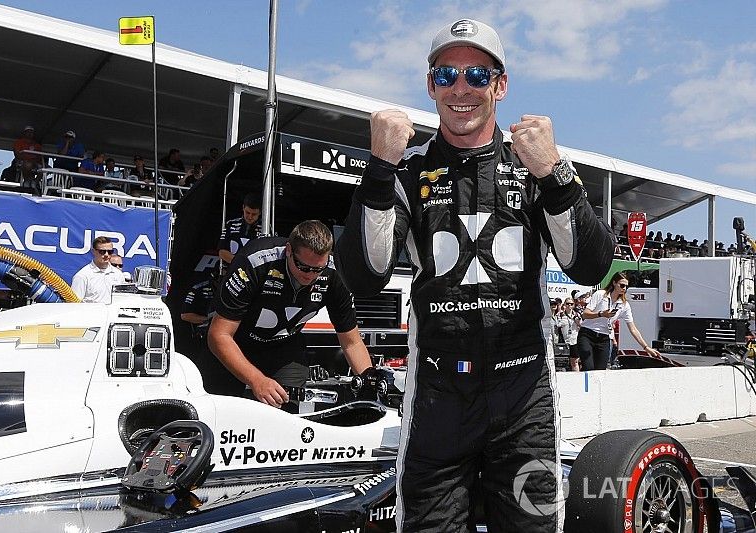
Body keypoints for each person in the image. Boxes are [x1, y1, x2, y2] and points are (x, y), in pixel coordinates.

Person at [333, 18, 614, 533]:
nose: (461, 89)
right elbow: (364, 275)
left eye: (477, 76)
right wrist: (377, 168)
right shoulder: (404, 169)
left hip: (524, 394)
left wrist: (553, 173)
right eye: (447, 75)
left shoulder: (536, 166)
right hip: (439, 396)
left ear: (500, 86)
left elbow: (591, 266)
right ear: (430, 86)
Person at [207, 220, 373, 406]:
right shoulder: (256, 261)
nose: (310, 275)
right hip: (236, 341)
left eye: (318, 269)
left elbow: (352, 342)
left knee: (284, 409)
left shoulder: (335, 274)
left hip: (284, 347)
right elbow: (218, 335)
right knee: (224, 410)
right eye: (303, 267)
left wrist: (371, 383)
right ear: (288, 250)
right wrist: (256, 380)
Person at [577, 272, 660, 371]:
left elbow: (633, 329)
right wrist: (601, 314)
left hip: (604, 337)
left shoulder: (624, 305)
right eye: (622, 285)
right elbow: (585, 314)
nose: (624, 289)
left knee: (600, 371)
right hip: (587, 334)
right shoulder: (600, 294)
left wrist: (646, 347)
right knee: (589, 368)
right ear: (614, 283)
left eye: (626, 287)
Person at [71, 236, 126, 304]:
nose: (106, 255)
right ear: (93, 251)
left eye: (110, 252)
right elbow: (74, 304)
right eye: (102, 251)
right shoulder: (82, 276)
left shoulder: (118, 274)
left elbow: (123, 300)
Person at [217, 192, 262, 273]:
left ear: (260, 213)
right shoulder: (230, 224)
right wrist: (241, 265)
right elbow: (221, 252)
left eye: (254, 214)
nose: (250, 217)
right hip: (229, 271)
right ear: (243, 208)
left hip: (253, 276)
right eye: (247, 213)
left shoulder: (266, 230)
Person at [13, 125, 44, 191]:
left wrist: (34, 161)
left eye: (31, 132)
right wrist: (26, 159)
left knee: (42, 168)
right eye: (28, 132)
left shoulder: (37, 145)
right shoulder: (18, 142)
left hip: (35, 163)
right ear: (24, 133)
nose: (30, 134)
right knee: (27, 164)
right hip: (22, 162)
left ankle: (35, 182)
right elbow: (17, 154)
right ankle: (27, 181)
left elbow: (40, 156)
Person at [557, 297, 582, 371]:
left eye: (571, 304)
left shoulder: (577, 314)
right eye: (568, 304)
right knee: (564, 362)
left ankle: (577, 377)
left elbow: (580, 325)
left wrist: (575, 318)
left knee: (575, 361)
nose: (569, 306)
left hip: (574, 340)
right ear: (564, 304)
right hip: (564, 341)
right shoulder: (560, 315)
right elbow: (557, 325)